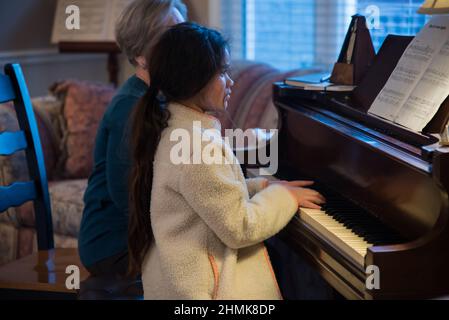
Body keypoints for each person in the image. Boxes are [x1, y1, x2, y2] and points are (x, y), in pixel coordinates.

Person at [128, 22, 326, 300]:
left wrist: (260, 187)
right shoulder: (196, 146)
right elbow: (240, 227)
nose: (231, 81)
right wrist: (284, 197)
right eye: (222, 72)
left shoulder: (182, 130)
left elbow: (214, 194)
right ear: (193, 78)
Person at [78, 0, 187, 279]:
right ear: (141, 55)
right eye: (169, 36)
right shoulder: (130, 106)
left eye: (182, 33)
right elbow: (127, 197)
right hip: (113, 247)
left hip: (142, 236)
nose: (182, 44)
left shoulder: (161, 97)